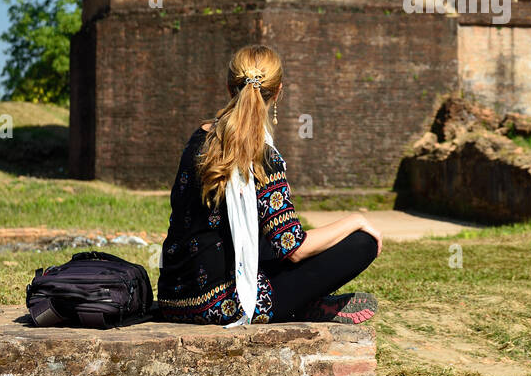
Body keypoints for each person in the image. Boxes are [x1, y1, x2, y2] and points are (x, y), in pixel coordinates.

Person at [157, 44, 380, 326]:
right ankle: (301, 305)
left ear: (229, 88)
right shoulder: (262, 156)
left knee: (264, 242)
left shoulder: (197, 139)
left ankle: (303, 302)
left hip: (173, 299)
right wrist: (356, 220)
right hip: (222, 305)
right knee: (362, 243)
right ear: (278, 92)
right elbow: (295, 248)